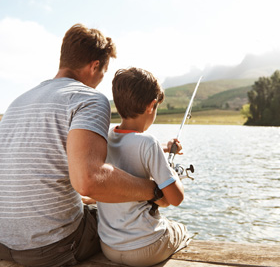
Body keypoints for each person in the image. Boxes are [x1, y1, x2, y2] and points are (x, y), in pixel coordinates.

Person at [0, 24, 158, 267]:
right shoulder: (89, 98)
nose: (101, 79)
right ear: (95, 66)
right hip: (51, 247)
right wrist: (153, 190)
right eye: (104, 71)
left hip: (4, 242)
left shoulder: (17, 103)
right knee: (120, 222)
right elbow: (88, 180)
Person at [97, 67, 190, 267]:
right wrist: (170, 168)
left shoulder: (105, 135)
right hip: (145, 250)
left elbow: (129, 146)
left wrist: (164, 149)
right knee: (180, 229)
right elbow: (176, 198)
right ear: (151, 106)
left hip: (109, 248)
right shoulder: (149, 143)